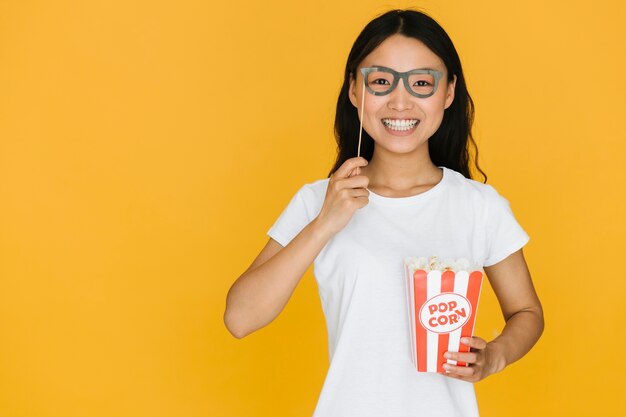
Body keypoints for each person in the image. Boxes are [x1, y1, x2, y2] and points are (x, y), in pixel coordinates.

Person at [224, 8, 544, 417]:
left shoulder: (478, 207)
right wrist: (325, 224)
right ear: (355, 91)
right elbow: (240, 318)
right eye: (380, 81)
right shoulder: (318, 201)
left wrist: (494, 356)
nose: (400, 101)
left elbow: (528, 312)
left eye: (422, 83)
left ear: (448, 94)